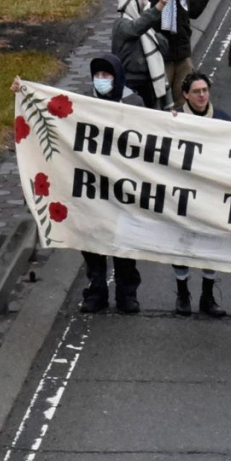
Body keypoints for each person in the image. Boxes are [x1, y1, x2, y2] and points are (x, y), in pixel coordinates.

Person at [77, 54, 147, 314]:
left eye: (107, 76)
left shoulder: (133, 102)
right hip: (93, 185)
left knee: (125, 239)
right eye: (98, 75)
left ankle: (127, 293)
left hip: (124, 186)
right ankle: (96, 291)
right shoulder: (83, 103)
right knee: (93, 241)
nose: (102, 80)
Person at [170, 73, 231, 318]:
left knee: (211, 243)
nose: (202, 95)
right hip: (182, 194)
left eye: (205, 90)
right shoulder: (173, 119)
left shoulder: (223, 119)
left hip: (211, 195)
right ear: (185, 94)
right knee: (181, 243)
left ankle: (208, 296)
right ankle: (182, 294)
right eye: (196, 91)